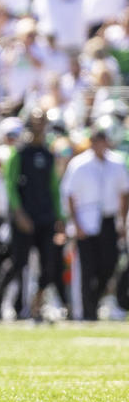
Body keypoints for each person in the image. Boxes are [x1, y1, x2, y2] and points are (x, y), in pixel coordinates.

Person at [0, 109, 66, 320]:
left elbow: (54, 189)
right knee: (17, 262)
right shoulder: (18, 153)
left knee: (49, 266)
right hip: (24, 217)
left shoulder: (48, 155)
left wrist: (59, 217)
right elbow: (10, 186)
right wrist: (19, 214)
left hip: (45, 217)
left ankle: (36, 304)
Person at [61, 120, 129, 321]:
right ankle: (87, 312)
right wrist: (76, 224)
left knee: (109, 264)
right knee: (87, 269)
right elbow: (70, 196)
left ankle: (95, 299)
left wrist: (122, 222)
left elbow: (124, 193)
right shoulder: (79, 164)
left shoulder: (116, 163)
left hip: (108, 221)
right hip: (86, 222)